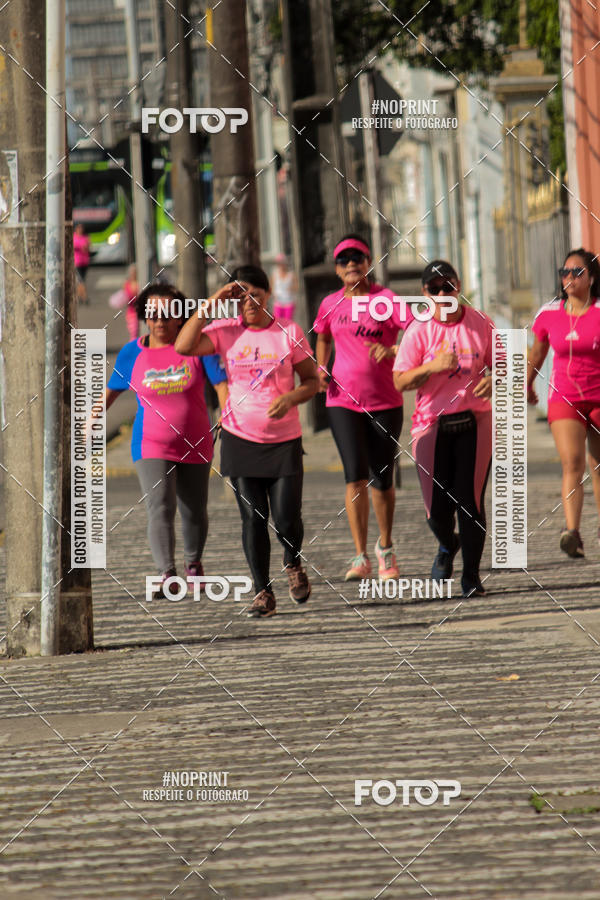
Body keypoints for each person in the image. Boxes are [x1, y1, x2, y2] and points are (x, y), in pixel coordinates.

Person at [175, 264, 319, 618]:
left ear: (268, 295)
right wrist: (214, 301)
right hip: (240, 438)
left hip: (284, 440)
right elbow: (183, 345)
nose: (250, 301)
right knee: (253, 517)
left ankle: (293, 562)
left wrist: (290, 399)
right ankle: (262, 591)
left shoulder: (289, 331)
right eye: (241, 296)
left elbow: (312, 382)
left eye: (255, 293)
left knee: (286, 517)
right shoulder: (225, 332)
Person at [100, 283, 215, 596]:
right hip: (150, 443)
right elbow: (109, 395)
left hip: (196, 441)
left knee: (194, 509)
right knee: (160, 507)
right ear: (143, 318)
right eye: (152, 314)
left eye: (167, 314)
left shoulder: (198, 347)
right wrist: (84, 426)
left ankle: (193, 565)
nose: (160, 321)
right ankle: (167, 573)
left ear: (181, 317)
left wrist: (232, 419)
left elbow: (223, 386)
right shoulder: (131, 353)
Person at [313, 234, 413, 581]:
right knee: (354, 475)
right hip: (341, 400)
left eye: (358, 258)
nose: (352, 264)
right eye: (344, 260)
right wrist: (321, 367)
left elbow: (416, 332)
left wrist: (394, 350)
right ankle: (360, 557)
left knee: (382, 479)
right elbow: (323, 335)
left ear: (369, 263)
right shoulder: (329, 304)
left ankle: (385, 550)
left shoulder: (386, 300)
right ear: (337, 269)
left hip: (385, 401)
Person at [393, 260, 494, 598]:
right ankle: (448, 544)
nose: (442, 294)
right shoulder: (419, 330)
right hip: (431, 426)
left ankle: (471, 577)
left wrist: (495, 379)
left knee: (470, 501)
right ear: (424, 294)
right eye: (434, 289)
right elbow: (400, 381)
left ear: (459, 286)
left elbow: (506, 364)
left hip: (475, 423)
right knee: (437, 511)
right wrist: (432, 366)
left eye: (447, 286)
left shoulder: (480, 323)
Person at [527, 248, 600, 558]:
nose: (568, 278)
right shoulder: (549, 313)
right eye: (564, 272)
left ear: (592, 278)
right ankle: (572, 532)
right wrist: (527, 383)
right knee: (572, 461)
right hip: (565, 397)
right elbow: (537, 353)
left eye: (576, 272)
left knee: (598, 465)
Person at [271, 254, 297, 321]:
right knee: (277, 322)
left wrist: (291, 289)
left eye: (281, 263)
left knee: (288, 323)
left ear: (285, 263)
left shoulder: (291, 274)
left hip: (288, 303)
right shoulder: (275, 274)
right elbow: (271, 286)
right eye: (278, 263)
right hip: (278, 303)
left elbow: (297, 287)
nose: (280, 265)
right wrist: (273, 293)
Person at [74, 223, 91, 304]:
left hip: (85, 261)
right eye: (79, 228)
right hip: (77, 262)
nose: (80, 229)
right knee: (81, 280)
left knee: (81, 280)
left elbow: (88, 247)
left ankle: (78, 296)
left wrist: (84, 248)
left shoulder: (86, 237)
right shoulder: (73, 236)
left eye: (81, 228)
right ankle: (85, 297)